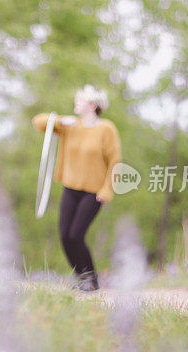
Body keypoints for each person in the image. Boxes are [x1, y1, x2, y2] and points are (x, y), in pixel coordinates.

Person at [32, 84, 121, 291]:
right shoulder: (69, 125)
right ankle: (81, 277)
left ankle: (91, 279)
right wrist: (60, 120)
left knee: (76, 235)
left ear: (92, 105)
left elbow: (115, 161)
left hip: (94, 192)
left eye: (80, 100)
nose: (76, 103)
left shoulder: (106, 129)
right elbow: (38, 122)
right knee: (64, 236)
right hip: (70, 189)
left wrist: (107, 190)